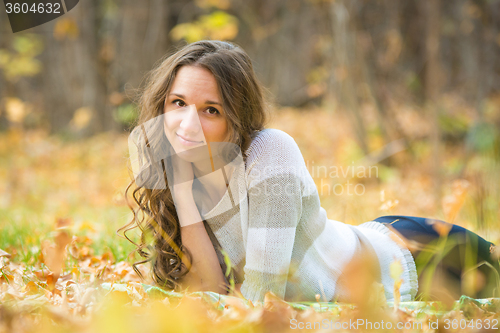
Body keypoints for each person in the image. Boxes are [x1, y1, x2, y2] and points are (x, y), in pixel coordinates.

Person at [122, 40, 500, 304]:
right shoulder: (185, 172)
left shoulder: (270, 151)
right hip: (370, 240)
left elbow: (263, 297)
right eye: (178, 103)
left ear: (235, 119)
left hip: (421, 258)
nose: (187, 124)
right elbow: (206, 292)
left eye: (211, 110)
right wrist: (184, 194)